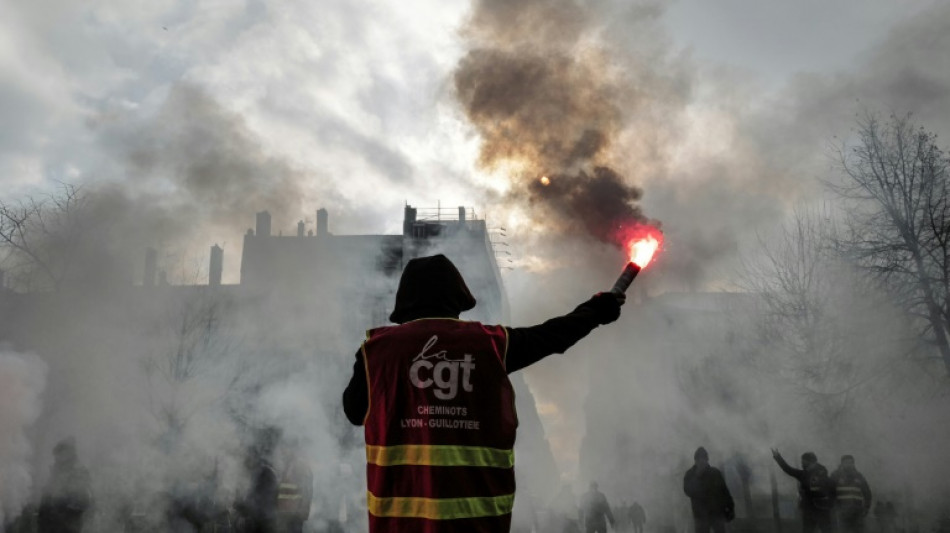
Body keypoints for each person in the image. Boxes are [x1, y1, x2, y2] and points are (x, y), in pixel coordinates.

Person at [342, 254, 625, 532]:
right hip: (478, 522)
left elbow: (354, 413)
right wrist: (597, 309)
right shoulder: (492, 345)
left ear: (404, 300)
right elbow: (553, 335)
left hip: (399, 524)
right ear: (457, 296)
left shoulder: (375, 352)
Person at [37, 437, 93, 533]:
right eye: (57, 454)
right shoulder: (56, 472)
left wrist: (61, 503)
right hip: (50, 524)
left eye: (60, 452)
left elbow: (83, 499)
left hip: (67, 525)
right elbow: (47, 496)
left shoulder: (78, 472)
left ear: (69, 453)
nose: (57, 457)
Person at [771, 448, 835, 533]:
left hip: (821, 510)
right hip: (809, 509)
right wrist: (778, 457)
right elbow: (788, 469)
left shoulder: (822, 474)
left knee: (826, 530)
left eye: (804, 461)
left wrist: (830, 503)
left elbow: (832, 491)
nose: (802, 463)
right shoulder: (804, 474)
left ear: (811, 461)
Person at [683, 447, 735, 533]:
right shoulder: (690, 474)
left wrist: (730, 508)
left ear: (707, 459)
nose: (701, 461)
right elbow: (687, 490)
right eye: (699, 459)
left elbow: (724, 492)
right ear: (695, 460)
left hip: (717, 513)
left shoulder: (715, 473)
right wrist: (697, 476)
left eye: (703, 458)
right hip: (700, 516)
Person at [275, 440, 313, 533]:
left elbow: (307, 492)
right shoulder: (285, 465)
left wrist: (302, 514)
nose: (282, 451)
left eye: (285, 448)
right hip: (283, 514)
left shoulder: (301, 467)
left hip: (294, 515)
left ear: (292, 450)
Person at [831, 455, 872, 533]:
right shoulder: (835, 476)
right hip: (842, 511)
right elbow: (830, 492)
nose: (849, 464)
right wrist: (835, 507)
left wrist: (866, 507)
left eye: (851, 462)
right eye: (846, 462)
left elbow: (867, 493)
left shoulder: (859, 476)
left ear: (853, 464)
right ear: (842, 463)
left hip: (857, 511)